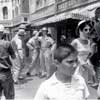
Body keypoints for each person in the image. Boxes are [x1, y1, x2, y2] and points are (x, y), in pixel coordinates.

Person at [71, 20, 97, 86]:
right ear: (80, 30)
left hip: (85, 68)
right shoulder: (75, 42)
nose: (88, 31)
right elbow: (71, 54)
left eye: (89, 29)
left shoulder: (88, 42)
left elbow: (89, 54)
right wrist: (82, 63)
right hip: (77, 68)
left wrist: (88, 62)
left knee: (84, 86)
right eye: (86, 29)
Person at [0, 24, 16, 100]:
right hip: (5, 74)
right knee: (9, 96)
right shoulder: (7, 43)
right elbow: (13, 57)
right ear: (2, 33)